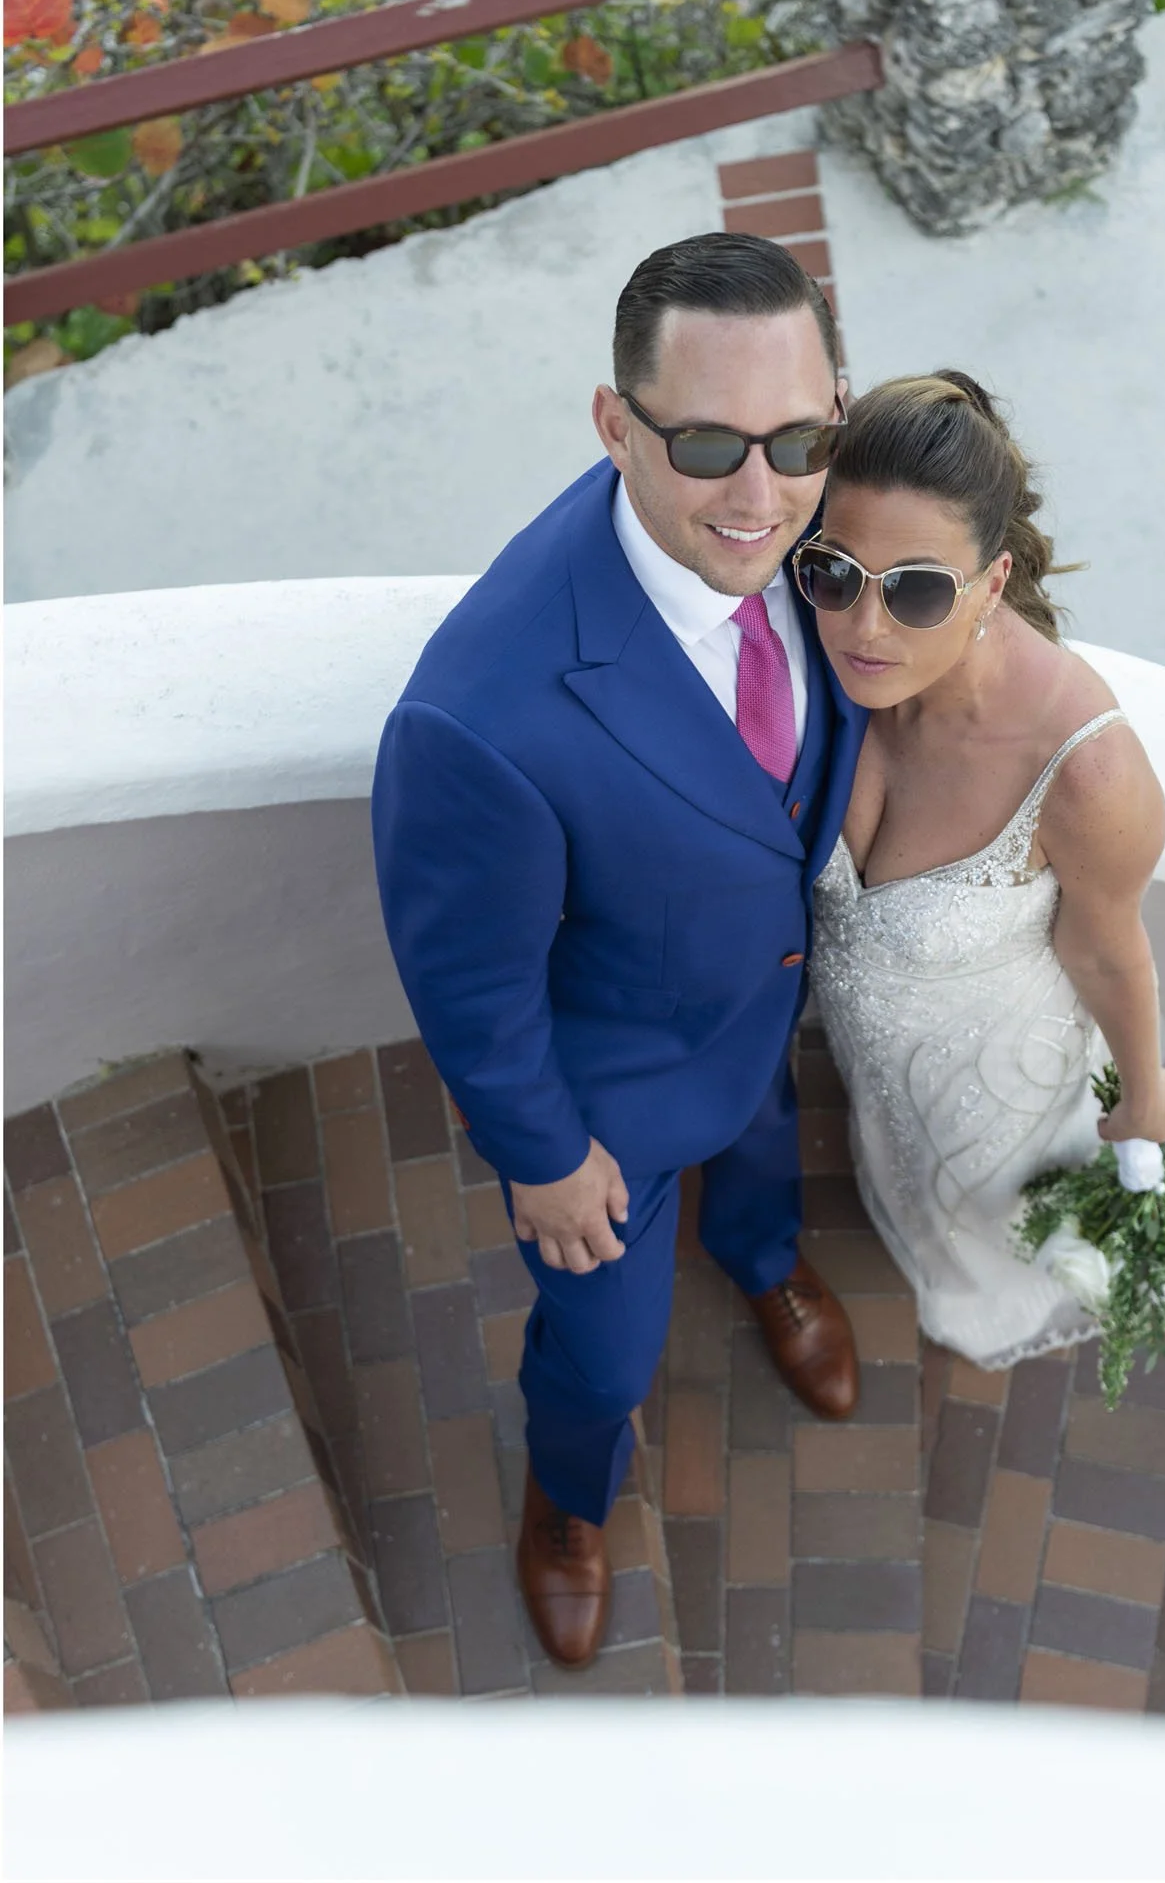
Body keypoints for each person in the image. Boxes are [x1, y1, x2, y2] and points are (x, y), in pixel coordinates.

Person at [372, 234, 867, 1671]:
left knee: (764, 1164)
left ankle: (763, 1256)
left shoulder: (820, 541)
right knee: (600, 1353)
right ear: (614, 423)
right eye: (709, 442)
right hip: (609, 1104)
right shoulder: (484, 714)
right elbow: (467, 974)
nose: (761, 495)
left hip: (756, 1019)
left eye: (798, 439)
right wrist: (540, 1156)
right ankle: (568, 1507)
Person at [797, 371, 1165, 1370]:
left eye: (918, 589)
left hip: (995, 1075)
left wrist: (1145, 1093)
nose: (865, 628)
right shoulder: (819, 632)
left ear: (994, 580)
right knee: (901, 1164)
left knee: (988, 1209)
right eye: (835, 571)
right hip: (869, 1051)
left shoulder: (1087, 769)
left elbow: (1108, 951)